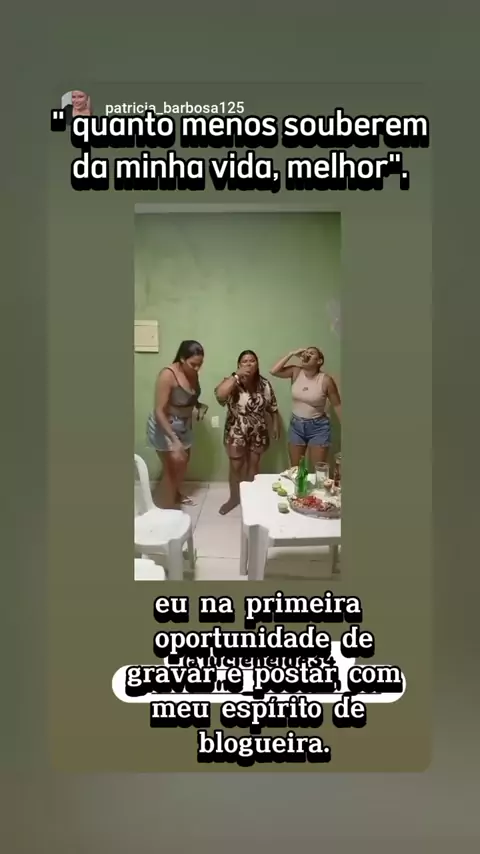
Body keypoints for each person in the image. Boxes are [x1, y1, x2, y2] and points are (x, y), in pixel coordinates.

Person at [215, 350, 280, 515]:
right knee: (236, 467)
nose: (249, 363)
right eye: (244, 361)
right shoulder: (231, 382)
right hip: (236, 430)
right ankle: (234, 498)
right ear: (239, 365)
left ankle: (251, 497)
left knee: (254, 465)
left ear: (257, 364)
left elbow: (272, 407)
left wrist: (275, 426)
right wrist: (236, 376)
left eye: (252, 360)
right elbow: (220, 395)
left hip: (258, 431)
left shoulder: (264, 384)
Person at [147, 340, 208, 508]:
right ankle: (162, 509)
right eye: (193, 364)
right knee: (172, 467)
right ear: (182, 358)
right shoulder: (168, 375)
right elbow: (159, 410)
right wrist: (173, 439)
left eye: (200, 364)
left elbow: (189, 396)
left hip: (184, 425)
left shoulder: (192, 372)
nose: (197, 368)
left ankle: (174, 495)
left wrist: (198, 405)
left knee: (182, 463)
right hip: (165, 424)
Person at [270, 347, 341, 466]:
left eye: (311, 353)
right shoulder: (296, 372)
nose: (307, 354)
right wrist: (291, 354)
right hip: (296, 426)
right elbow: (274, 371)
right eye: (306, 352)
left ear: (319, 361)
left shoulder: (326, 380)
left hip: (318, 428)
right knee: (295, 470)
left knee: (319, 469)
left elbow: (337, 405)